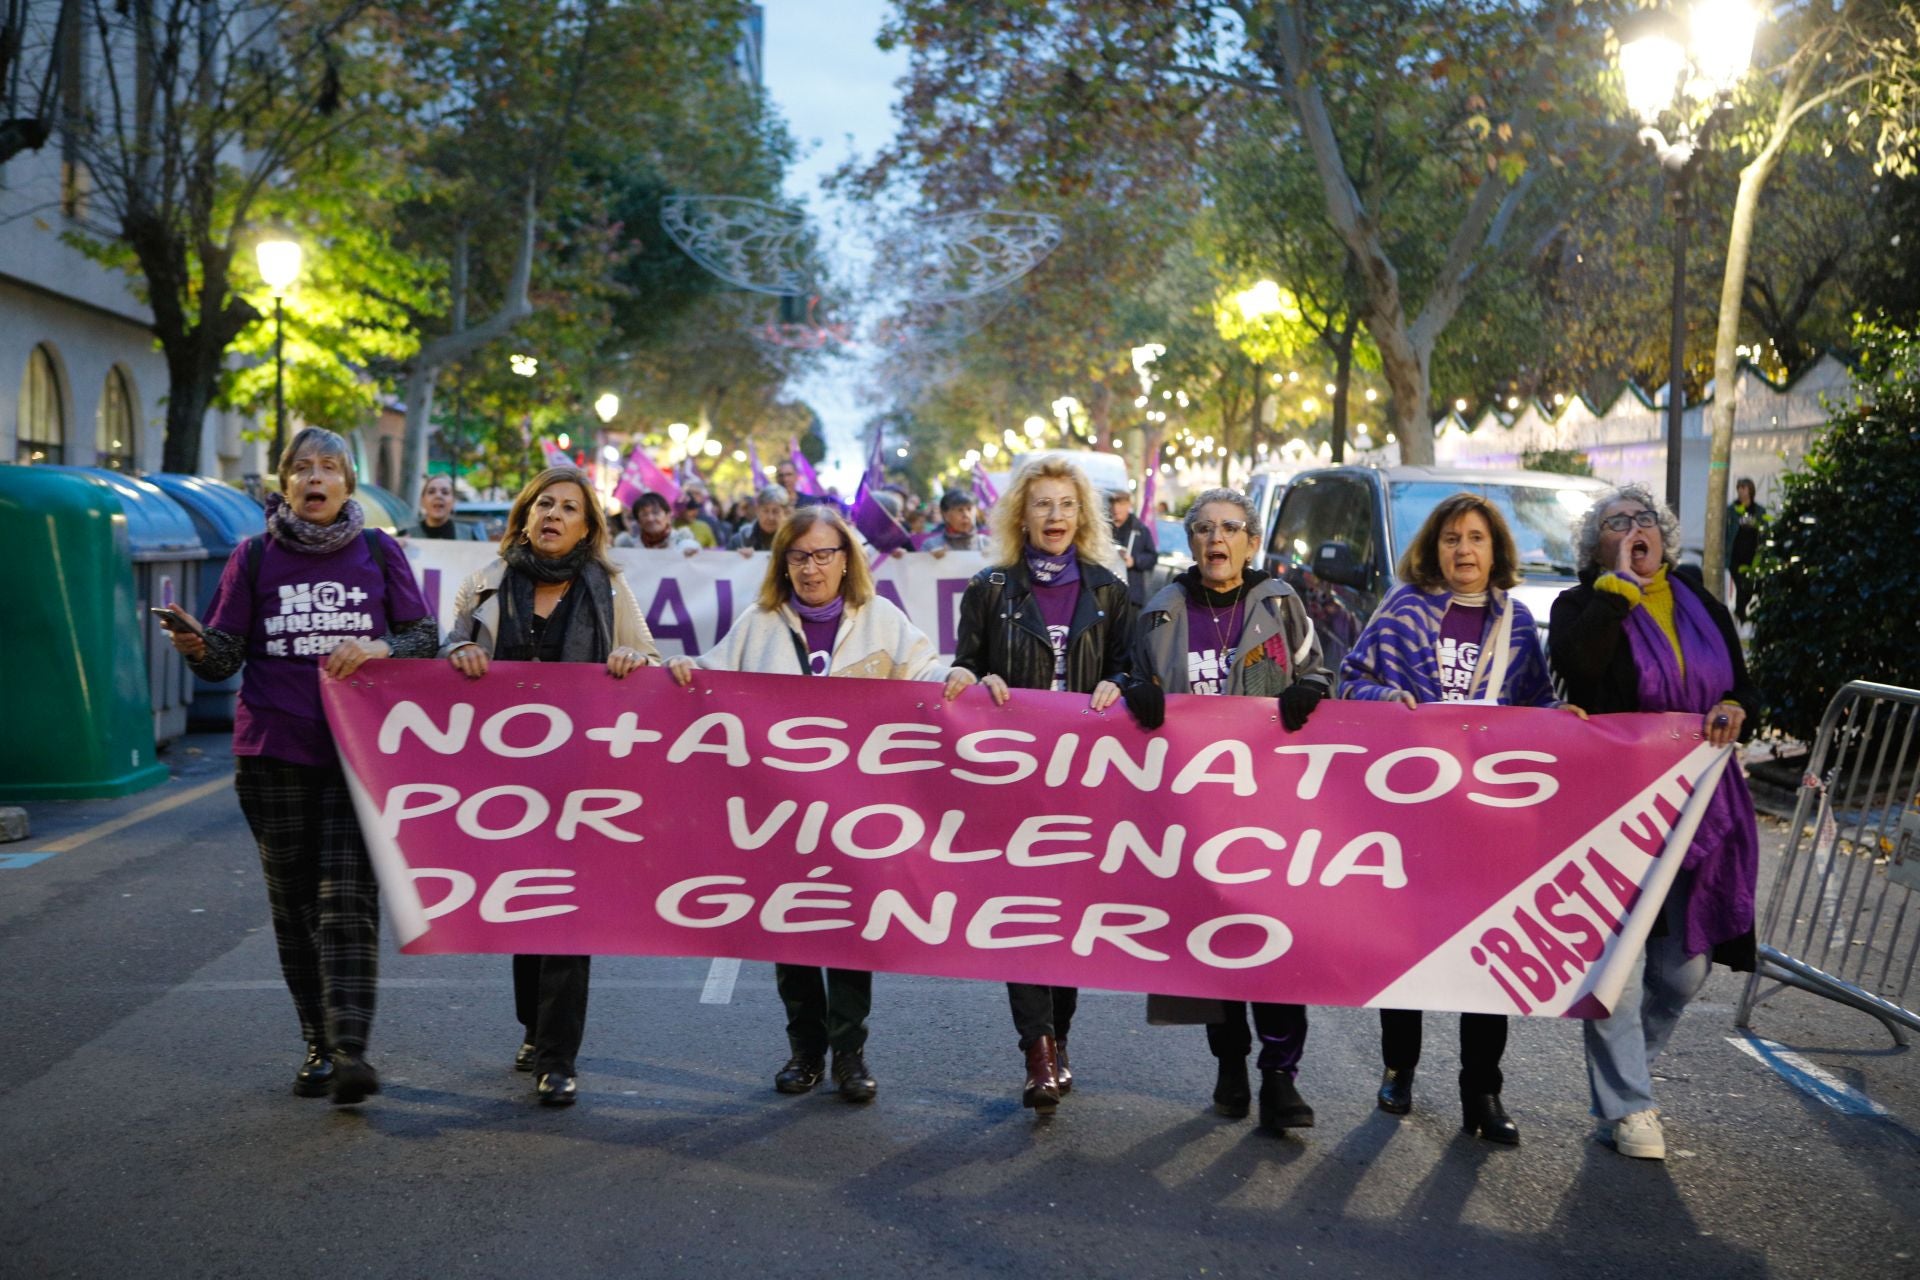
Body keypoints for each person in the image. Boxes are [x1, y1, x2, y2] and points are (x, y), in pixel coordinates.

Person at [158, 427, 437, 1105]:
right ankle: (316, 1040)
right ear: (284, 486)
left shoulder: (379, 550)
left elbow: (424, 638)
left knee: (346, 899)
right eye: (301, 469)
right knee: (294, 907)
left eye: (329, 469)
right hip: (272, 752)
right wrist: (197, 646)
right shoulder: (253, 558)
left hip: (357, 753)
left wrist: (377, 646)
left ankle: (350, 1050)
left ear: (348, 484)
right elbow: (226, 654)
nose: (314, 479)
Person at [669, 507, 974, 1102]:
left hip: (858, 814)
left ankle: (850, 1055)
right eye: (799, 556)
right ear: (783, 562)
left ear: (846, 560)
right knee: (793, 931)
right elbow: (709, 675)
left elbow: (925, 671)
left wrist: (954, 677)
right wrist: (680, 669)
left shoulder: (881, 620)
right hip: (781, 812)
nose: (811, 568)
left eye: (823, 555)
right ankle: (804, 1051)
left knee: (851, 930)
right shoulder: (758, 624)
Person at [1338, 491, 1586, 1146]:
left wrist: (1562, 724)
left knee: (1486, 958)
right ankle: (1399, 1067)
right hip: (1412, 812)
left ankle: (1483, 1091)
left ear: (1495, 549)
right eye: (1451, 538)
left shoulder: (1517, 624)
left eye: (1476, 538)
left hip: (1488, 822)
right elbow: (1350, 679)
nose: (1464, 550)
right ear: (1434, 548)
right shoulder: (1400, 612)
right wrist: (1388, 699)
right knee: (1407, 944)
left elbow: (1535, 707)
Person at [1550, 483, 1760, 1162]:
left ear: (1664, 536)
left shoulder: (1701, 601)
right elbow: (1579, 671)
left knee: (1683, 970)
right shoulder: (1581, 603)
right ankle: (1632, 1104)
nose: (1634, 528)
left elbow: (1741, 683)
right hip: (1616, 806)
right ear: (1598, 543)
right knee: (1616, 960)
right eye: (1617, 522)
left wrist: (1735, 703)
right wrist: (1617, 593)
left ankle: (1622, 1080)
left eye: (1644, 520)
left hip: (1702, 801)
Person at [440, 467, 662, 1107]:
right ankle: (534, 1030)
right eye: (545, 504)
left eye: (569, 507)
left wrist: (631, 661)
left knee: (567, 911)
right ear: (526, 514)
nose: (554, 515)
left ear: (589, 527)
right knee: (522, 905)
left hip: (583, 780)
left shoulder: (611, 591)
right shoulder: (487, 583)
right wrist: (458, 655)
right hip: (502, 781)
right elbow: (449, 649)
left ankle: (559, 1056)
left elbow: (646, 655)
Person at [1128, 487, 1330, 1134]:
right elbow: (1137, 682)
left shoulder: (1279, 602)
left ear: (1250, 542)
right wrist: (1138, 692)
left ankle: (1280, 1075)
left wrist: (1307, 691)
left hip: (1270, 806)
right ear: (1190, 541)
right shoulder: (1161, 613)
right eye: (1205, 529)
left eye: (1230, 528)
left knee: (1274, 939)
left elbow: (1320, 674)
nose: (1217, 540)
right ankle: (1231, 1064)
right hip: (1193, 811)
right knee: (1209, 944)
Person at [950, 455, 1133, 1112]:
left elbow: (1136, 674)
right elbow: (961, 669)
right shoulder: (991, 590)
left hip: (1086, 784)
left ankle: (1061, 1036)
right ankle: (1038, 1048)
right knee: (1024, 915)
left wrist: (1125, 685)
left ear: (1081, 515)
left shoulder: (1111, 592)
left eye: (1065, 505)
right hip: (1013, 782)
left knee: (1069, 915)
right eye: (1042, 505)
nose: (1054, 517)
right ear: (1020, 516)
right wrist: (977, 682)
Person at [1108, 488, 1159, 609]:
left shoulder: (1140, 530)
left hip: (1131, 596)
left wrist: (1134, 561)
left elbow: (1152, 557)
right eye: (1113, 503)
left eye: (1121, 503)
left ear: (1128, 505)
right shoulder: (1104, 528)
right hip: (1107, 593)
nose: (1116, 508)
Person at [1727, 477, 1767, 623]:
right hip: (1736, 556)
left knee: (1748, 589)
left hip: (1752, 557)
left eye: (1744, 488)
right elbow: (1726, 530)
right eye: (1739, 488)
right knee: (1740, 586)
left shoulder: (1759, 511)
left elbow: (1764, 532)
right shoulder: (1732, 510)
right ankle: (1740, 616)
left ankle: (1740, 614)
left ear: (1751, 490)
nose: (1741, 491)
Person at [406, 474, 484, 540]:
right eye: (431, 492)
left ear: (453, 501)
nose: (438, 496)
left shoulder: (468, 535)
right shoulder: (407, 536)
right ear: (422, 501)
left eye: (445, 492)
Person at [614, 491, 698, 552]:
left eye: (656, 513)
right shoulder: (629, 549)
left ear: (668, 516)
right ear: (638, 521)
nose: (650, 519)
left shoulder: (684, 546)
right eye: (644, 514)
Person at [728, 483, 792, 553]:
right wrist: (738, 558)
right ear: (757, 510)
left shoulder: (794, 539)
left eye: (776, 511)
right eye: (765, 511)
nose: (770, 517)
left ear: (785, 513)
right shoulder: (739, 541)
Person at [917, 489, 985, 554]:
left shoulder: (988, 545)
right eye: (960, 510)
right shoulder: (931, 546)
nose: (966, 515)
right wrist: (930, 560)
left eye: (969, 509)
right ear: (945, 515)